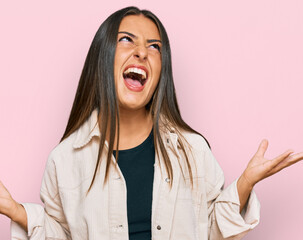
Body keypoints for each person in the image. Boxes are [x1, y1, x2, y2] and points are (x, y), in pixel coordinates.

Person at [0, 6, 302, 240]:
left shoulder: (192, 149)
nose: (142, 52)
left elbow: (213, 232)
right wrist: (17, 212)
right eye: (126, 40)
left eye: (154, 46)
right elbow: (63, 235)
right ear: (102, 56)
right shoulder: (65, 159)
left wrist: (245, 184)